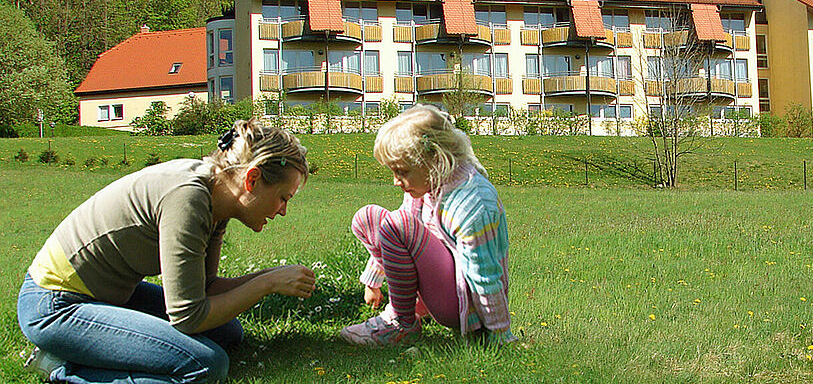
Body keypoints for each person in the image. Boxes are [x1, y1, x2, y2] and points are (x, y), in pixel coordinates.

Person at [16, 120, 314, 383]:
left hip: (109, 295)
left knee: (227, 333)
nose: (283, 211)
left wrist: (271, 275)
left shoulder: (218, 197)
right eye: (282, 198)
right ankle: (61, 368)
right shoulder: (188, 198)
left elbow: (206, 289)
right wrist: (266, 284)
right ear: (252, 179)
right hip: (56, 305)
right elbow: (188, 317)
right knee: (205, 365)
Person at [339, 105, 515, 346]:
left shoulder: (472, 202)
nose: (395, 181)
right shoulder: (425, 186)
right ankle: (406, 313)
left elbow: (485, 274)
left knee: (396, 224)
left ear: (434, 159)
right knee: (367, 218)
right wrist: (373, 279)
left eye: (401, 171)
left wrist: (501, 334)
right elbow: (399, 229)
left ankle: (401, 323)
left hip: (459, 303)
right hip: (433, 287)